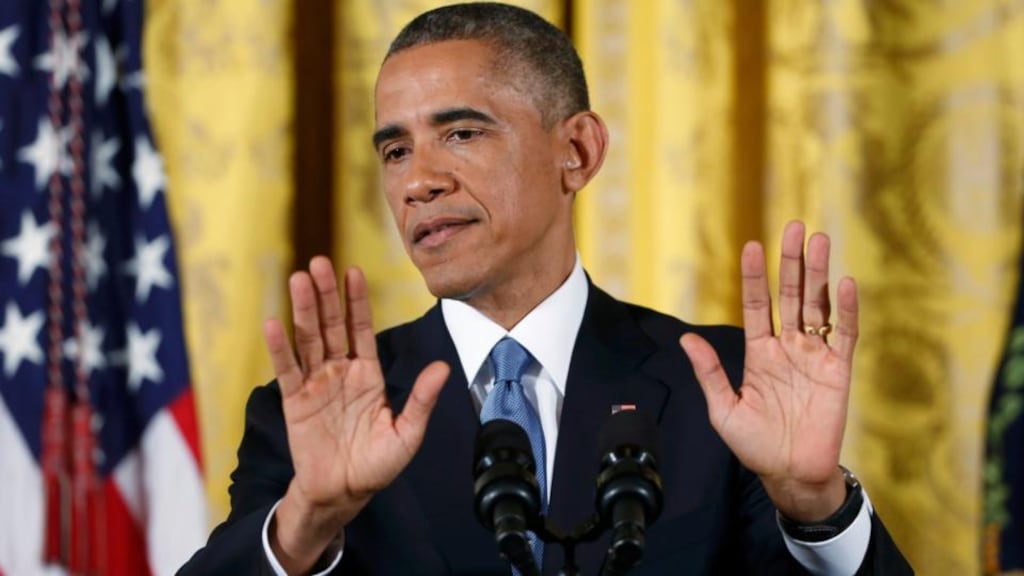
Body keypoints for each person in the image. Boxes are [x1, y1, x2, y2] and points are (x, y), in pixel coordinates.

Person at [179, 3, 912, 575]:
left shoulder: (725, 388)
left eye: (461, 133)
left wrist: (818, 507)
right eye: (395, 149)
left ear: (578, 150)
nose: (417, 181)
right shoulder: (312, 414)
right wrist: (306, 522)